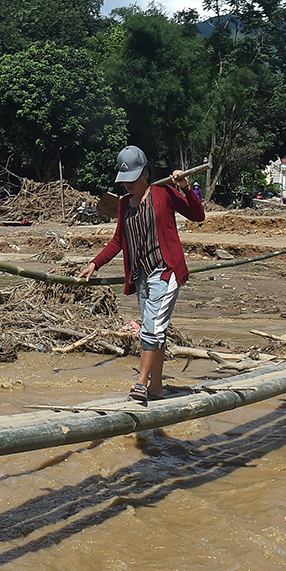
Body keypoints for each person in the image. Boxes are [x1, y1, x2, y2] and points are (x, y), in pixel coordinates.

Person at [78, 146, 205, 403]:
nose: (128, 185)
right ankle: (156, 388)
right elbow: (118, 241)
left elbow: (197, 215)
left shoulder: (164, 193)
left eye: (133, 179)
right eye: (124, 180)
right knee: (157, 332)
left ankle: (140, 382)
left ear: (146, 174)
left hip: (165, 271)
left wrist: (185, 187)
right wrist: (95, 263)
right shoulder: (124, 204)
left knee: (151, 329)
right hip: (142, 277)